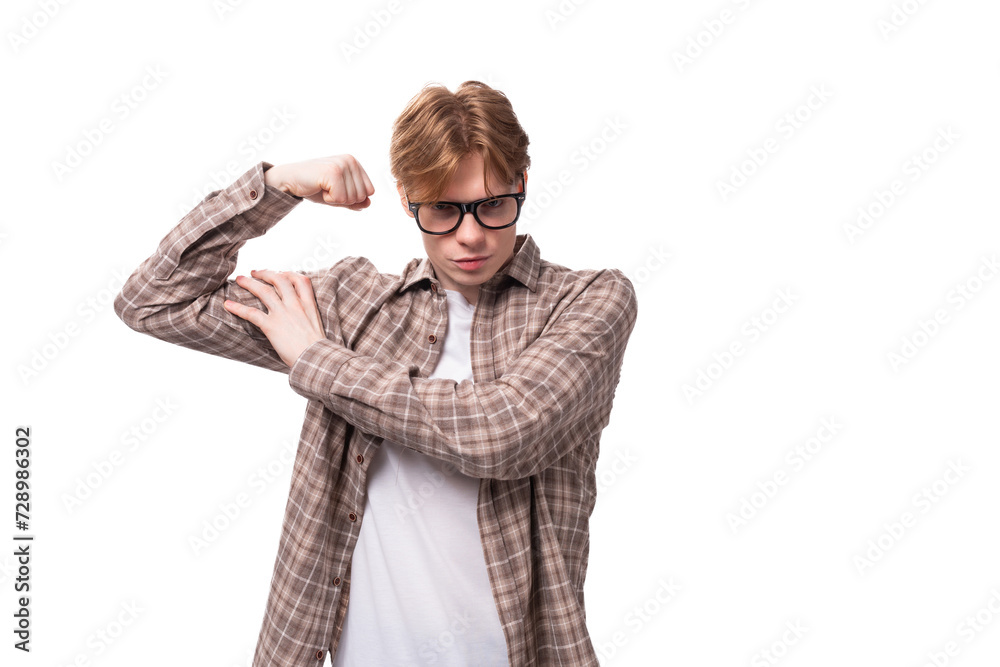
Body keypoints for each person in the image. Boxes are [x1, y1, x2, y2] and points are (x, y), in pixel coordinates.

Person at [114, 80, 638, 666]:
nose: (470, 234)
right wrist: (273, 187)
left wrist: (315, 360)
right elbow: (153, 302)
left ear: (520, 184)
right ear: (407, 197)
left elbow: (502, 434)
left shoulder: (590, 299)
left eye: (492, 204)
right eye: (442, 208)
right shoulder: (351, 303)